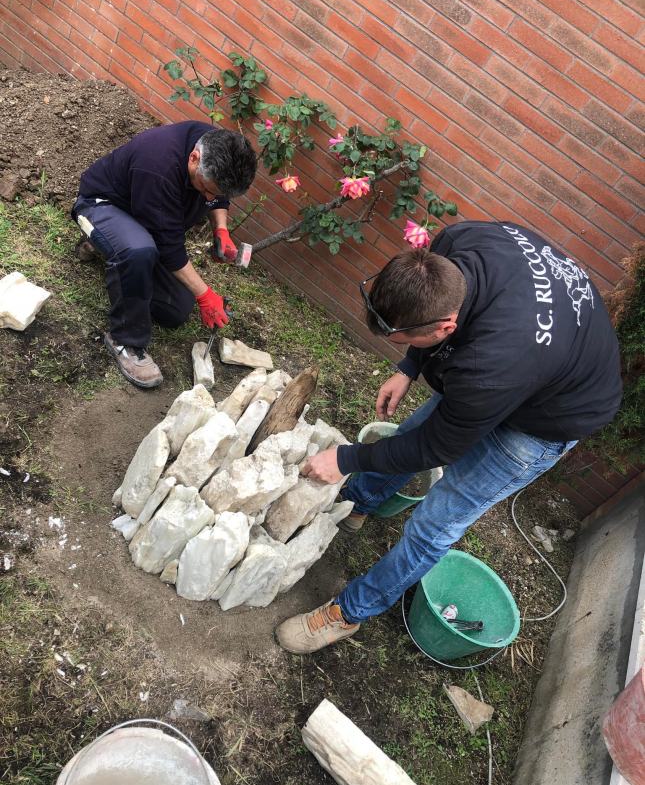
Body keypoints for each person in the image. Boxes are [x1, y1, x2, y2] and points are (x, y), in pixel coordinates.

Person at [275, 220, 622, 654]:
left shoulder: (488, 368)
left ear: (445, 328)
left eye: (403, 339)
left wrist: (346, 459)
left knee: (434, 524)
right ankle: (359, 504)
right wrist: (410, 365)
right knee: (411, 431)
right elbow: (430, 336)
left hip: (550, 416)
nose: (398, 343)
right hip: (531, 364)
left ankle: (348, 614)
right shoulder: (460, 243)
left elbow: (437, 447)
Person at [71, 121, 257, 388]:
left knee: (175, 311)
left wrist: (221, 229)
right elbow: (168, 246)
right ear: (194, 158)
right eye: (204, 188)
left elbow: (217, 196)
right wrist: (205, 294)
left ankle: (120, 248)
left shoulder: (216, 145)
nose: (207, 197)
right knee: (138, 250)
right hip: (101, 206)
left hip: (147, 217)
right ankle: (125, 340)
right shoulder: (157, 165)